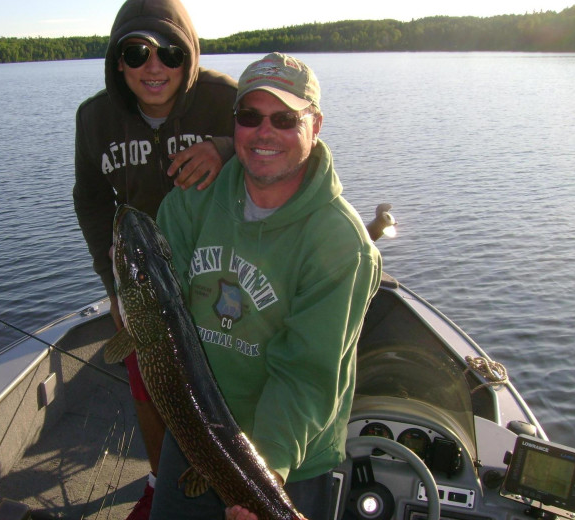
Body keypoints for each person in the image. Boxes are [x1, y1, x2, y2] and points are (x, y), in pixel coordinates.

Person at [153, 53, 383, 519]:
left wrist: (267, 470)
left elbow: (306, 374)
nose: (264, 132)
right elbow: (159, 309)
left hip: (287, 460)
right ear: (233, 123)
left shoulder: (340, 243)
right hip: (195, 432)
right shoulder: (194, 197)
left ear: (315, 126)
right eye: (249, 116)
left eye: (284, 119)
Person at [72, 0, 237, 518]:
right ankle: (157, 477)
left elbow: (282, 144)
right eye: (137, 52)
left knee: (226, 383)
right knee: (149, 387)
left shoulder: (225, 98)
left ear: (188, 57)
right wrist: (114, 284)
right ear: (118, 62)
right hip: (143, 278)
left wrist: (226, 146)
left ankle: (236, 473)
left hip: (218, 269)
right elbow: (92, 200)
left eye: (169, 52)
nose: (154, 66)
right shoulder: (95, 118)